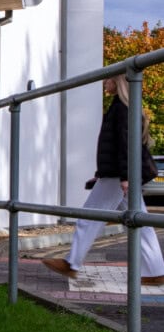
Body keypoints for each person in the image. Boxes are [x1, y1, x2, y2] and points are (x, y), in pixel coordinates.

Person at [43, 74, 164, 285]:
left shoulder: (121, 109)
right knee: (140, 222)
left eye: (107, 80)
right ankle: (155, 271)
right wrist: (101, 173)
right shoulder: (121, 107)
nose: (104, 83)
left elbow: (126, 145)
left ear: (118, 82)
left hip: (118, 175)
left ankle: (72, 263)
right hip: (117, 174)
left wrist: (125, 176)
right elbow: (116, 146)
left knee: (89, 217)